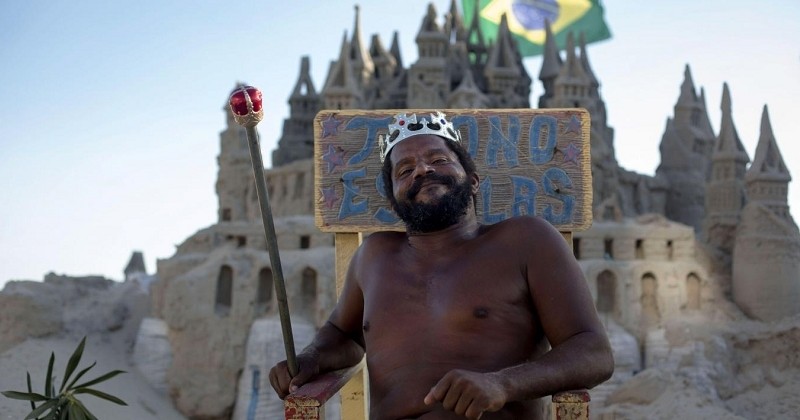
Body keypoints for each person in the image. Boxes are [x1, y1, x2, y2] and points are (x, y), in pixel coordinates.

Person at [270, 112, 614, 420]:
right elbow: (343, 336)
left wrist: (503, 383)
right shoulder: (373, 256)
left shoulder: (525, 240)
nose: (422, 169)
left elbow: (593, 352)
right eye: (405, 170)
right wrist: (312, 358)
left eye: (438, 159)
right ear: (394, 200)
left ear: (473, 180)